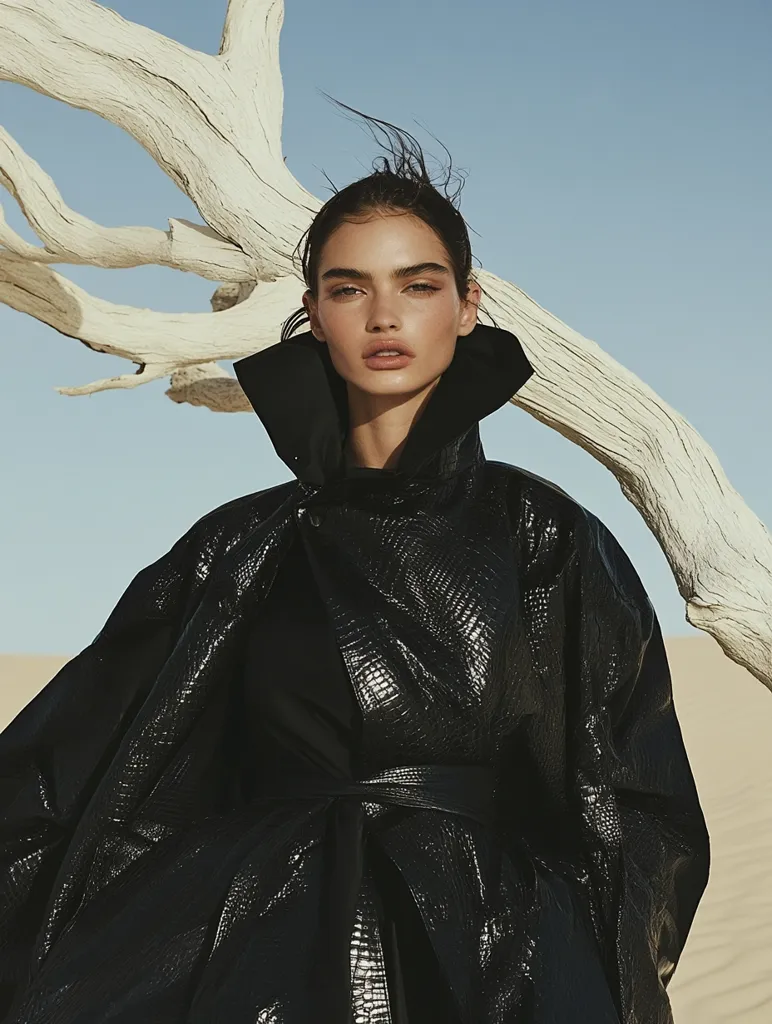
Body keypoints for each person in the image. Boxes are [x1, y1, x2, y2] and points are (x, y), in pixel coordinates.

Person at [0, 100, 709, 1024]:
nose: (384, 315)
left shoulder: (548, 536)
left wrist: (576, 966)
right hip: (264, 949)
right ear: (313, 315)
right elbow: (68, 775)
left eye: (417, 285)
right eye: (348, 287)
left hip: (496, 956)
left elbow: (636, 798)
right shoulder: (238, 548)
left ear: (467, 305)